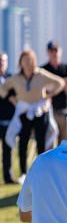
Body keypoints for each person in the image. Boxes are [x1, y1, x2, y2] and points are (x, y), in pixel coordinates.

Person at [1, 49, 65, 180]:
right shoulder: (16, 78)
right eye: (25, 60)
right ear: (21, 62)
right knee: (23, 142)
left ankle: (42, 172)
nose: (27, 63)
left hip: (40, 112)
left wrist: (49, 96)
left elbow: (60, 83)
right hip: (24, 113)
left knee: (41, 142)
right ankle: (24, 173)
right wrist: (11, 98)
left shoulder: (40, 74)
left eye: (30, 60)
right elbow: (2, 88)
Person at [41, 42, 67, 143]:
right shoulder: (43, 69)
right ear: (48, 52)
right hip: (50, 111)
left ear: (60, 51)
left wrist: (55, 85)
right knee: (50, 142)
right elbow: (43, 87)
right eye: (51, 50)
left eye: (56, 50)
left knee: (66, 142)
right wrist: (64, 82)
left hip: (65, 110)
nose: (54, 53)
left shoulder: (66, 67)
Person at [0, 53, 15, 183]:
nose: (1, 63)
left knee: (7, 150)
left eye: (3, 61)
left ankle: (8, 177)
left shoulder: (12, 79)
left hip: (8, 120)